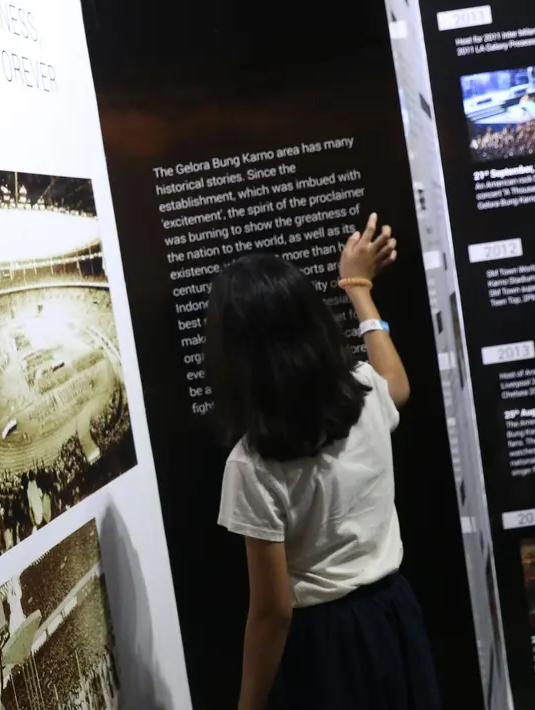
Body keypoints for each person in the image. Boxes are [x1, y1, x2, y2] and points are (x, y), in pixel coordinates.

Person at [209, 214, 441, 710]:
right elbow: (397, 382)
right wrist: (358, 288)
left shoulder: (252, 463)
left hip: (324, 644)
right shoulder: (363, 394)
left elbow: (272, 613)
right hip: (393, 613)